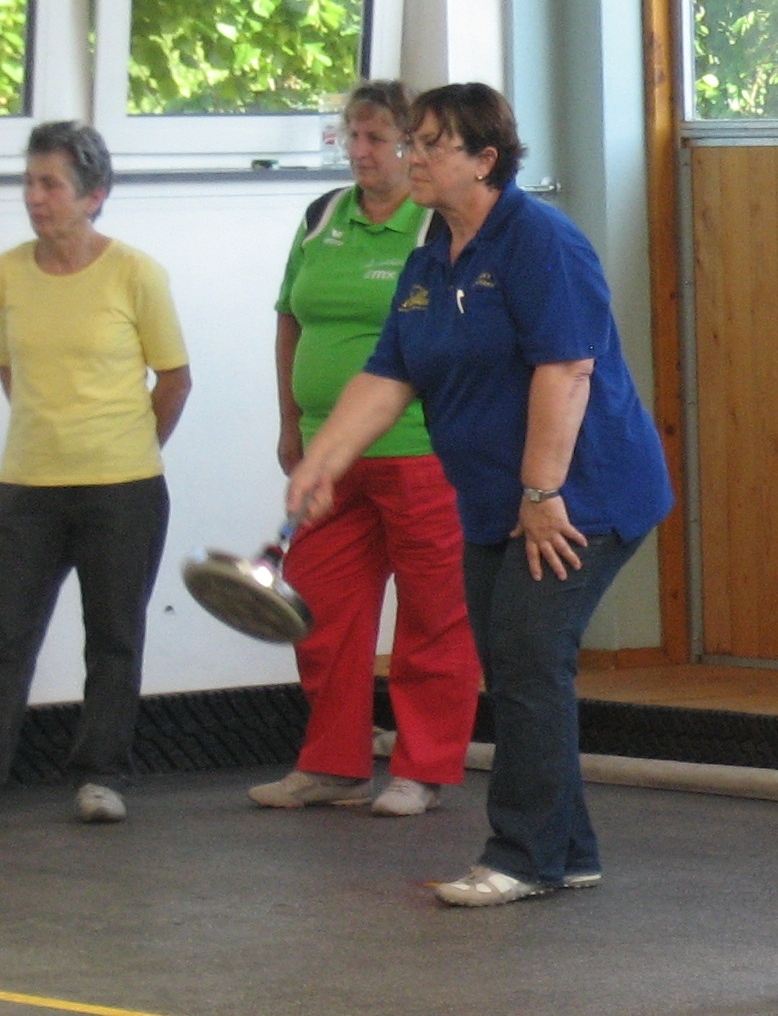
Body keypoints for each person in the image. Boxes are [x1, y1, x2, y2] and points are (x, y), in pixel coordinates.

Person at [284, 83, 674, 902]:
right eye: (413, 142)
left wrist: (541, 491)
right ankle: (569, 850)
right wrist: (325, 460)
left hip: (580, 497)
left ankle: (523, 857)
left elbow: (567, 369)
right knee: (514, 662)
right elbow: (389, 373)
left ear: (485, 159)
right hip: (498, 499)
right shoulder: (432, 255)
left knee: (529, 660)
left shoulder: (542, 242)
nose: (413, 157)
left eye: (432, 144)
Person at [248, 80, 481, 817]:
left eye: (376, 138)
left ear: (412, 146)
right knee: (318, 606)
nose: (359, 150)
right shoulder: (322, 218)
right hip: (329, 457)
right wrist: (291, 424)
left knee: (433, 616)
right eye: (351, 136)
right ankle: (333, 765)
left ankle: (422, 770)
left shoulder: (437, 224)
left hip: (421, 451)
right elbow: (290, 319)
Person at [0, 121, 191, 823]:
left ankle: (101, 775)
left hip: (123, 488)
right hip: (27, 486)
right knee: (7, 634)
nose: (34, 197)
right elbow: (9, 369)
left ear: (93, 195)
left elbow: (174, 379)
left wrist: (129, 446)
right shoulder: (7, 272)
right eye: (29, 182)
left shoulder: (135, 273)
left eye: (50, 184)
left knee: (113, 636)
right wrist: (50, 430)